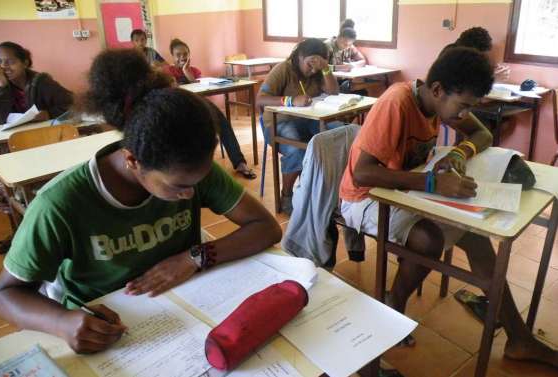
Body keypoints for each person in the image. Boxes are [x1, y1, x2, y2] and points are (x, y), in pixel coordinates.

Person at [0, 49, 282, 354]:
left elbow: (265, 227)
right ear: (133, 160)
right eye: (179, 187)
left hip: (185, 305)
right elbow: (3, 295)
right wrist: (63, 322)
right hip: (107, 325)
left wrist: (195, 256)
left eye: (196, 183)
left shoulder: (191, 171)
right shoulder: (60, 204)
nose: (190, 194)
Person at [339, 46, 558, 368]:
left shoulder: (440, 102)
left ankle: (519, 338)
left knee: (476, 235)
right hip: (364, 198)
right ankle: (393, 306)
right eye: (463, 106)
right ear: (438, 89)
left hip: (404, 190)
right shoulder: (397, 102)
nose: (463, 114)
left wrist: (459, 153)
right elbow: (363, 173)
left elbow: (481, 133)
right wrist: (431, 184)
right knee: (428, 240)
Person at [257, 38, 343, 215]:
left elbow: (334, 91)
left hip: (309, 119)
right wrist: (290, 100)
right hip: (278, 121)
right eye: (309, 65)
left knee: (338, 133)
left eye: (317, 66)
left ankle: (327, 193)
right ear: (299, 57)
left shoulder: (319, 71)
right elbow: (260, 99)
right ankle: (286, 195)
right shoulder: (283, 69)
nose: (313, 70)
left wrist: (325, 68)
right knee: (296, 149)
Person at [165, 39, 256, 179]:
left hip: (199, 104)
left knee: (222, 122)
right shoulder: (168, 71)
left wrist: (186, 71)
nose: (182, 57)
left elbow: (199, 88)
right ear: (172, 56)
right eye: (178, 54)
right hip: (179, 109)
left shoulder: (194, 70)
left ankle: (239, 163)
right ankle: (195, 168)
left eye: (185, 54)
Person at [0, 41, 73, 124]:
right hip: (10, 135)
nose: (3, 66)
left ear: (25, 63)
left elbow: (72, 103)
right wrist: (2, 87)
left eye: (10, 62)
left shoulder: (41, 82)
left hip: (42, 131)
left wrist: (49, 114)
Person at [441, 27, 510, 81]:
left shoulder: (469, 55)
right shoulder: (450, 55)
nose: (480, 58)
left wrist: (493, 70)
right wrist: (492, 79)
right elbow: (460, 84)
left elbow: (474, 73)